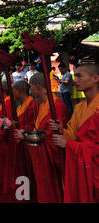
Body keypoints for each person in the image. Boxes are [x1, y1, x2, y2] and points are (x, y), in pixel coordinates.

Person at [15, 72, 69, 203]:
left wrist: (26, 135)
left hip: (51, 157)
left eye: (31, 87)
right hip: (40, 156)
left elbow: (52, 135)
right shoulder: (43, 105)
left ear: (39, 87)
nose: (30, 91)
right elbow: (39, 129)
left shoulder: (57, 105)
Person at [50, 63, 98, 202]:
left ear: (95, 78)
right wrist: (61, 131)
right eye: (75, 76)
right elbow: (73, 135)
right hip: (81, 165)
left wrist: (70, 145)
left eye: (79, 76)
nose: (75, 80)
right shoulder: (79, 107)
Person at [10, 81, 40, 202]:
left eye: (14, 90)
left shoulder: (33, 104)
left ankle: (28, 197)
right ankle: (22, 195)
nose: (12, 93)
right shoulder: (21, 105)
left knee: (27, 173)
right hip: (19, 144)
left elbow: (34, 125)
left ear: (19, 91)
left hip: (28, 144)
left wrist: (24, 132)